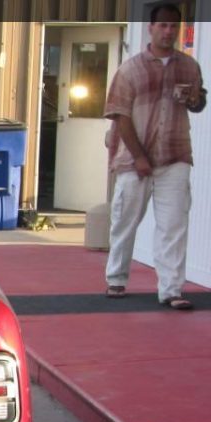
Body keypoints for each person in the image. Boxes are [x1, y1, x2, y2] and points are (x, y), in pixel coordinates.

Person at [104, 3, 206, 309]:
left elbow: (198, 105)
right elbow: (120, 116)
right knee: (126, 219)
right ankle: (116, 279)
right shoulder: (130, 69)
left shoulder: (189, 66)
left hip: (175, 153)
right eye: (162, 25)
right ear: (151, 28)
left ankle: (171, 289)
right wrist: (139, 157)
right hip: (135, 156)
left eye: (174, 26)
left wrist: (196, 99)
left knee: (174, 223)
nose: (168, 31)